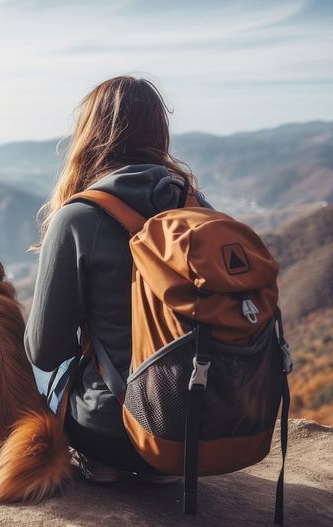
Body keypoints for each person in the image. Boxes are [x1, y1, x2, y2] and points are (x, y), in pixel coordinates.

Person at [25, 76, 206, 483]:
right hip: (207, 426)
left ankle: (110, 461)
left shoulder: (79, 218)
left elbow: (43, 351)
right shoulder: (196, 207)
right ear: (160, 132)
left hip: (117, 434)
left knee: (23, 366)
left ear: (89, 134)